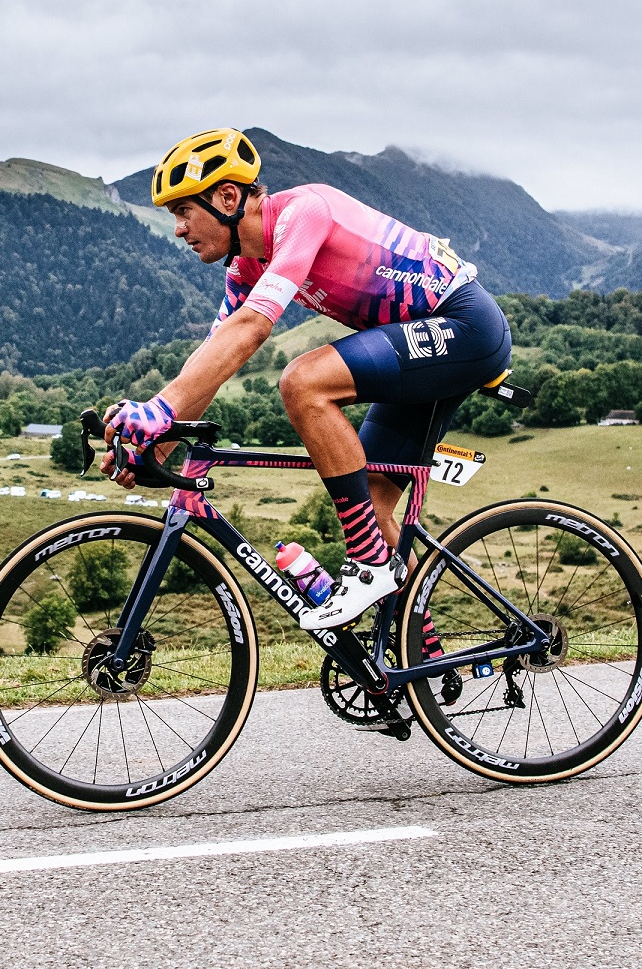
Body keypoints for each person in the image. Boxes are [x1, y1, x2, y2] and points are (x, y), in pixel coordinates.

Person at [102, 128, 511, 634]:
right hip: (416, 341)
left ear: (228, 197)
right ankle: (417, 659)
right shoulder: (244, 269)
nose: (179, 229)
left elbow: (254, 327)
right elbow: (215, 354)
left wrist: (159, 410)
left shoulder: (303, 213)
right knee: (376, 502)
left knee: (304, 381)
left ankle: (370, 565)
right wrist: (162, 436)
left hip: (467, 326)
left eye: (184, 211)